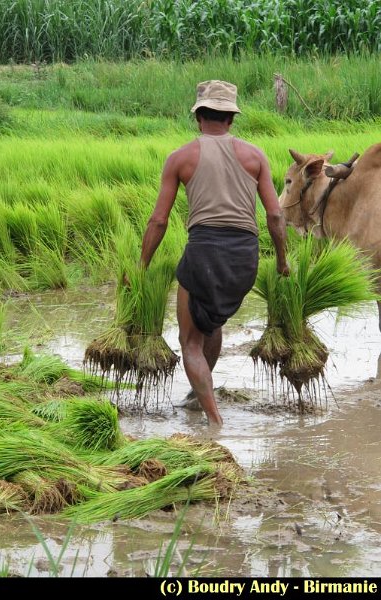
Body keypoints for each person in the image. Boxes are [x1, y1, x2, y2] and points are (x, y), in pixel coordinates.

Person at [140, 80, 289, 427]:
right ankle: (199, 394)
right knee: (213, 321)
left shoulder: (180, 157)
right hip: (244, 258)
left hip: (204, 251)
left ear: (198, 116)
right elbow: (275, 216)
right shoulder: (255, 156)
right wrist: (282, 262)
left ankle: (214, 421)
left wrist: (141, 265)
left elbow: (159, 220)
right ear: (231, 119)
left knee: (189, 341)